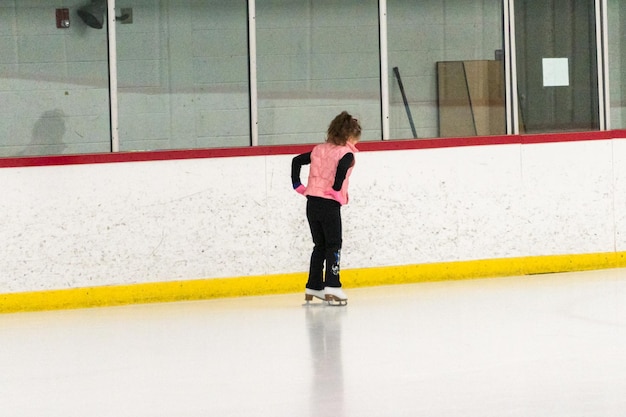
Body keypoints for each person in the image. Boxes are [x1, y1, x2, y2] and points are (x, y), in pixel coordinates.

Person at [291, 111, 361, 306]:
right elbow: (341, 169)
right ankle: (332, 285)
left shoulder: (318, 150)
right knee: (334, 245)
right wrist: (337, 191)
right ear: (349, 136)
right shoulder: (346, 153)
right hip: (329, 204)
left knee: (319, 246)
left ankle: (314, 286)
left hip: (312, 202)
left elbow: (296, 161)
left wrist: (297, 185)